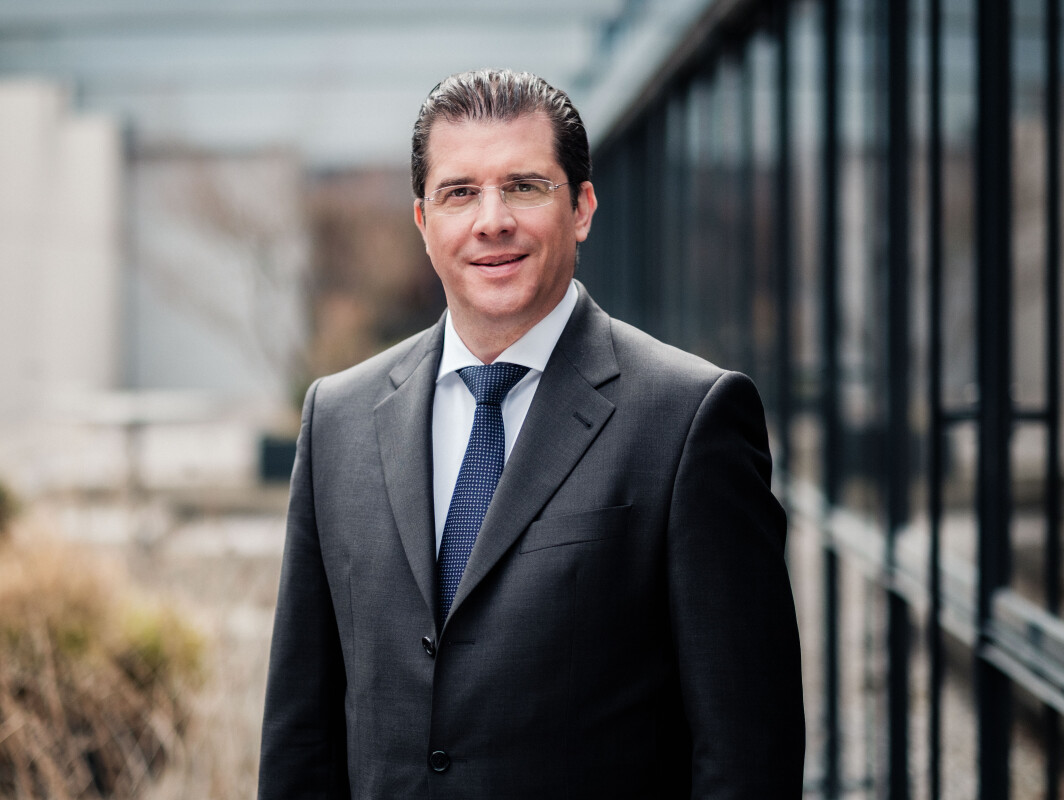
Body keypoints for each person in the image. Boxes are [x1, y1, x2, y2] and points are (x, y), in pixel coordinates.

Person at [257, 68, 804, 799]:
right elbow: (301, 735)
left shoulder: (689, 420)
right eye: (459, 193)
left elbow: (746, 757)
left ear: (580, 208)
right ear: (424, 224)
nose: (491, 221)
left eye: (523, 186)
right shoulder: (339, 420)